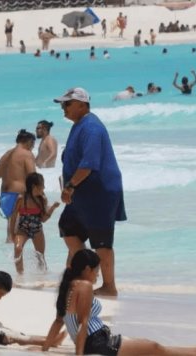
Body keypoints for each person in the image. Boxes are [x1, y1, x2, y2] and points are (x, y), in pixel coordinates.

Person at [42, 249, 196, 356]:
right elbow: (84, 322)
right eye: (96, 270)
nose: (98, 274)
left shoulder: (68, 286)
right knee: (154, 349)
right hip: (98, 343)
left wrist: (45, 348)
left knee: (154, 347)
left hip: (98, 340)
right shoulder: (84, 285)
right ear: (86, 269)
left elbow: (59, 321)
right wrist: (79, 354)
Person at [54, 88, 126, 297]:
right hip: (82, 193)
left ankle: (109, 286)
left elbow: (89, 164)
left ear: (81, 105)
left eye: (67, 104)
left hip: (99, 192)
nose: (63, 108)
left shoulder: (91, 128)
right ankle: (80, 277)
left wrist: (70, 186)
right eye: (62, 104)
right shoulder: (79, 125)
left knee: (101, 242)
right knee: (69, 229)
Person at [0, 271, 66, 347]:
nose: (0, 298)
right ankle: (49, 342)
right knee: (16, 338)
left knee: (16, 333)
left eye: (2, 296)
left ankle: (48, 338)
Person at [0, 129, 36, 243]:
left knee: (10, 234)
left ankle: (7, 259)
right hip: (19, 197)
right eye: (33, 145)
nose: (32, 148)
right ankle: (17, 260)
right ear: (29, 142)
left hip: (5, 197)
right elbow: (33, 178)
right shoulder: (27, 154)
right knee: (18, 236)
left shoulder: (6, 155)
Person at [12, 173, 59, 274]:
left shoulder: (42, 200)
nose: (44, 187)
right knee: (17, 249)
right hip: (22, 230)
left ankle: (43, 276)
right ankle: (20, 275)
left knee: (40, 256)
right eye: (42, 184)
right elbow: (14, 216)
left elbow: (43, 219)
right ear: (34, 186)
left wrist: (53, 208)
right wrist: (12, 232)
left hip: (37, 230)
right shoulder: (21, 198)